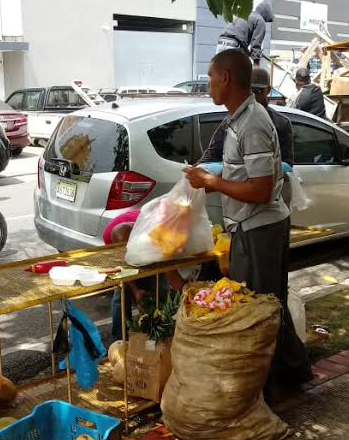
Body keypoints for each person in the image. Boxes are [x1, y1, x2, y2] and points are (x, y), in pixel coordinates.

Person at [184, 49, 311, 394]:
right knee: (269, 305)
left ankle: (261, 391)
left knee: (255, 312)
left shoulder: (252, 122)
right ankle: (293, 371)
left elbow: (260, 189)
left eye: (210, 78)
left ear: (226, 78)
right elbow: (247, 175)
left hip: (259, 229)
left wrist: (211, 182)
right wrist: (213, 175)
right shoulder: (239, 120)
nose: (208, 86)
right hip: (252, 227)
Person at [103, 210, 188, 341]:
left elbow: (171, 273)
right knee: (121, 297)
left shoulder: (155, 236)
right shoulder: (110, 236)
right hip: (125, 258)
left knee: (160, 292)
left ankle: (157, 337)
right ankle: (119, 342)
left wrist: (186, 292)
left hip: (150, 249)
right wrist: (135, 290)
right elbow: (122, 270)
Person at [216, 1, 274, 65]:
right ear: (265, 14)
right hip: (234, 47)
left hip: (221, 43)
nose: (265, 21)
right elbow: (256, 45)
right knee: (239, 74)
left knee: (219, 73)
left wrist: (248, 53)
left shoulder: (245, 14)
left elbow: (238, 37)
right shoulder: (260, 20)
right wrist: (256, 65)